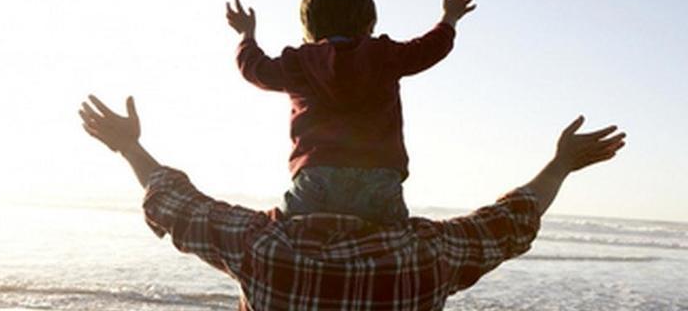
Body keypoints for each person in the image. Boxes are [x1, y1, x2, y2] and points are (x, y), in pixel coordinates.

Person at [78, 95, 625, 311]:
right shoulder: (425, 257)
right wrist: (559, 165)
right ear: (392, 193)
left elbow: (177, 204)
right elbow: (512, 221)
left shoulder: (262, 248)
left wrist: (129, 145)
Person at [226, 0, 476, 225]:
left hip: (316, 179)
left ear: (308, 31)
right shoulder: (384, 54)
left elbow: (255, 69)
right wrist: (449, 18)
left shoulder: (299, 62)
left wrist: (246, 35)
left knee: (285, 227)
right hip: (380, 180)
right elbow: (430, 48)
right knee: (394, 231)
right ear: (369, 25)